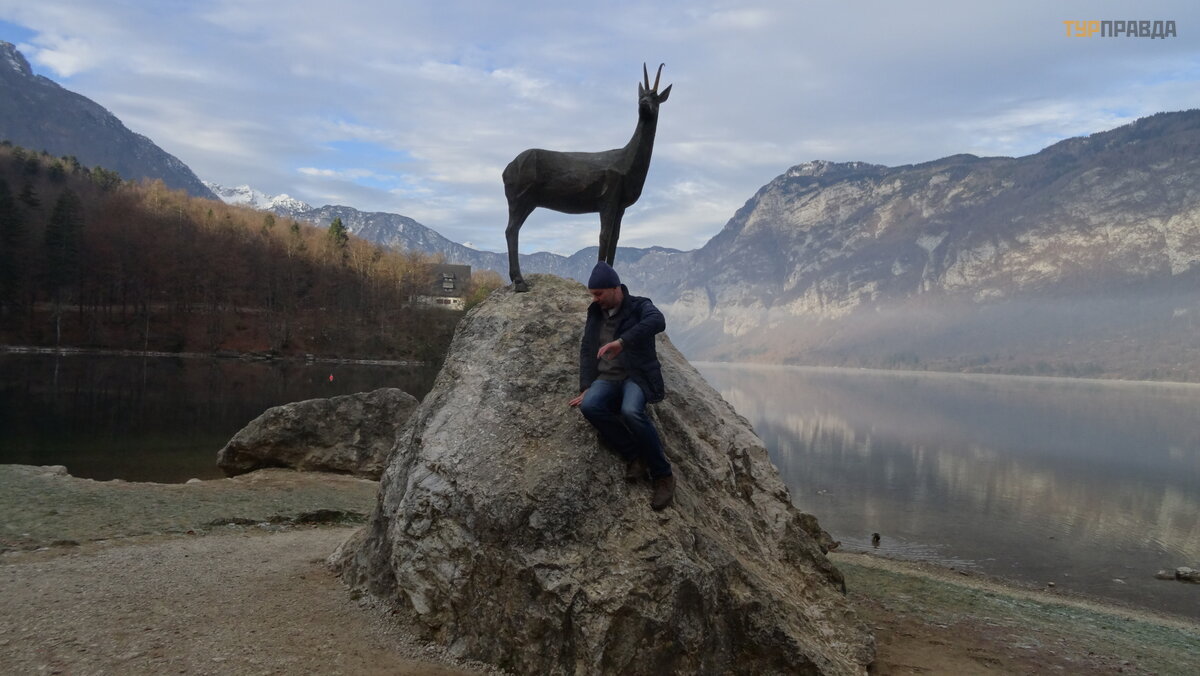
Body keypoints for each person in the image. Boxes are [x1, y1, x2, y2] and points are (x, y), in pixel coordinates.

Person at [568, 261, 675, 510]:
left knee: (631, 411)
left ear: (615, 288)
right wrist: (586, 385)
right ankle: (635, 455)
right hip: (607, 377)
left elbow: (658, 321)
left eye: (599, 294)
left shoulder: (640, 306)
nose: (595, 299)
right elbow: (587, 348)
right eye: (593, 295)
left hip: (636, 377)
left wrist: (622, 342)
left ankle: (663, 475)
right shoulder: (595, 312)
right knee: (590, 406)